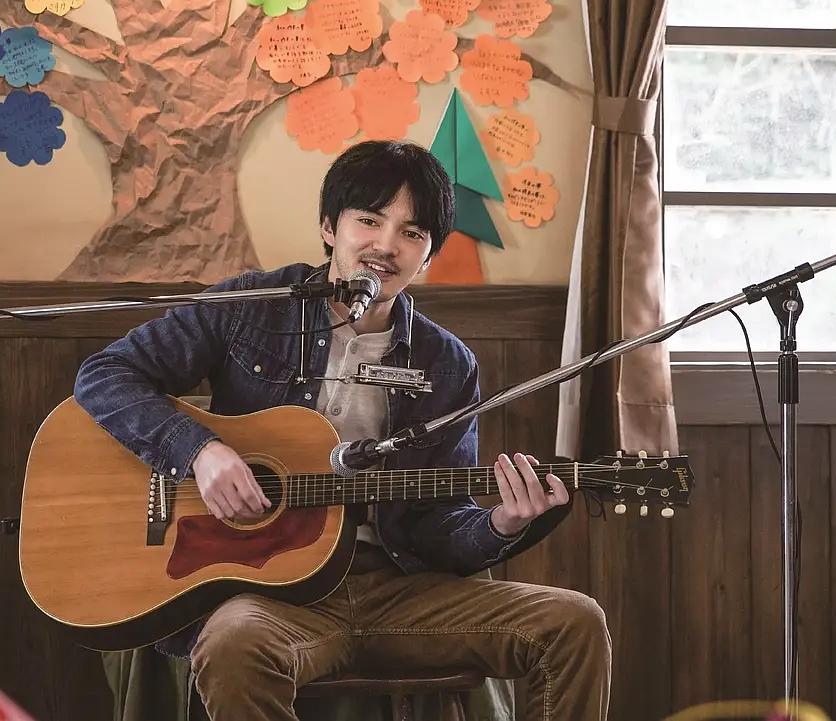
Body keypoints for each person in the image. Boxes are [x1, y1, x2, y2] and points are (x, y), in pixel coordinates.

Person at [75, 140, 611, 721]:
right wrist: (199, 451)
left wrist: (502, 524)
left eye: (412, 232)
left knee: (574, 622)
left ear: (428, 256)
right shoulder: (251, 309)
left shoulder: (447, 363)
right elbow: (105, 375)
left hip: (398, 589)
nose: (386, 246)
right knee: (232, 643)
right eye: (370, 220)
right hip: (273, 593)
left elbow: (439, 526)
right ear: (330, 227)